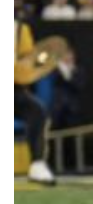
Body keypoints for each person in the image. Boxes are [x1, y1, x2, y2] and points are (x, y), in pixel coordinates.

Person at [15, 17, 58, 184]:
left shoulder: (19, 28)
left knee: (37, 112)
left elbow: (26, 60)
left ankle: (37, 165)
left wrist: (37, 63)